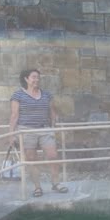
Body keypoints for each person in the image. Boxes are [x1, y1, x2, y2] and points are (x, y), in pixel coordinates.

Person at [9, 69, 68, 197]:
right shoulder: (18, 95)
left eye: (38, 77)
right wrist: (11, 134)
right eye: (33, 77)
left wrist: (53, 124)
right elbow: (14, 115)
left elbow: (52, 111)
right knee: (31, 159)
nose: (36, 80)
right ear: (26, 79)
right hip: (26, 130)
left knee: (53, 155)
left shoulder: (47, 95)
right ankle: (37, 187)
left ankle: (56, 183)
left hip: (44, 129)